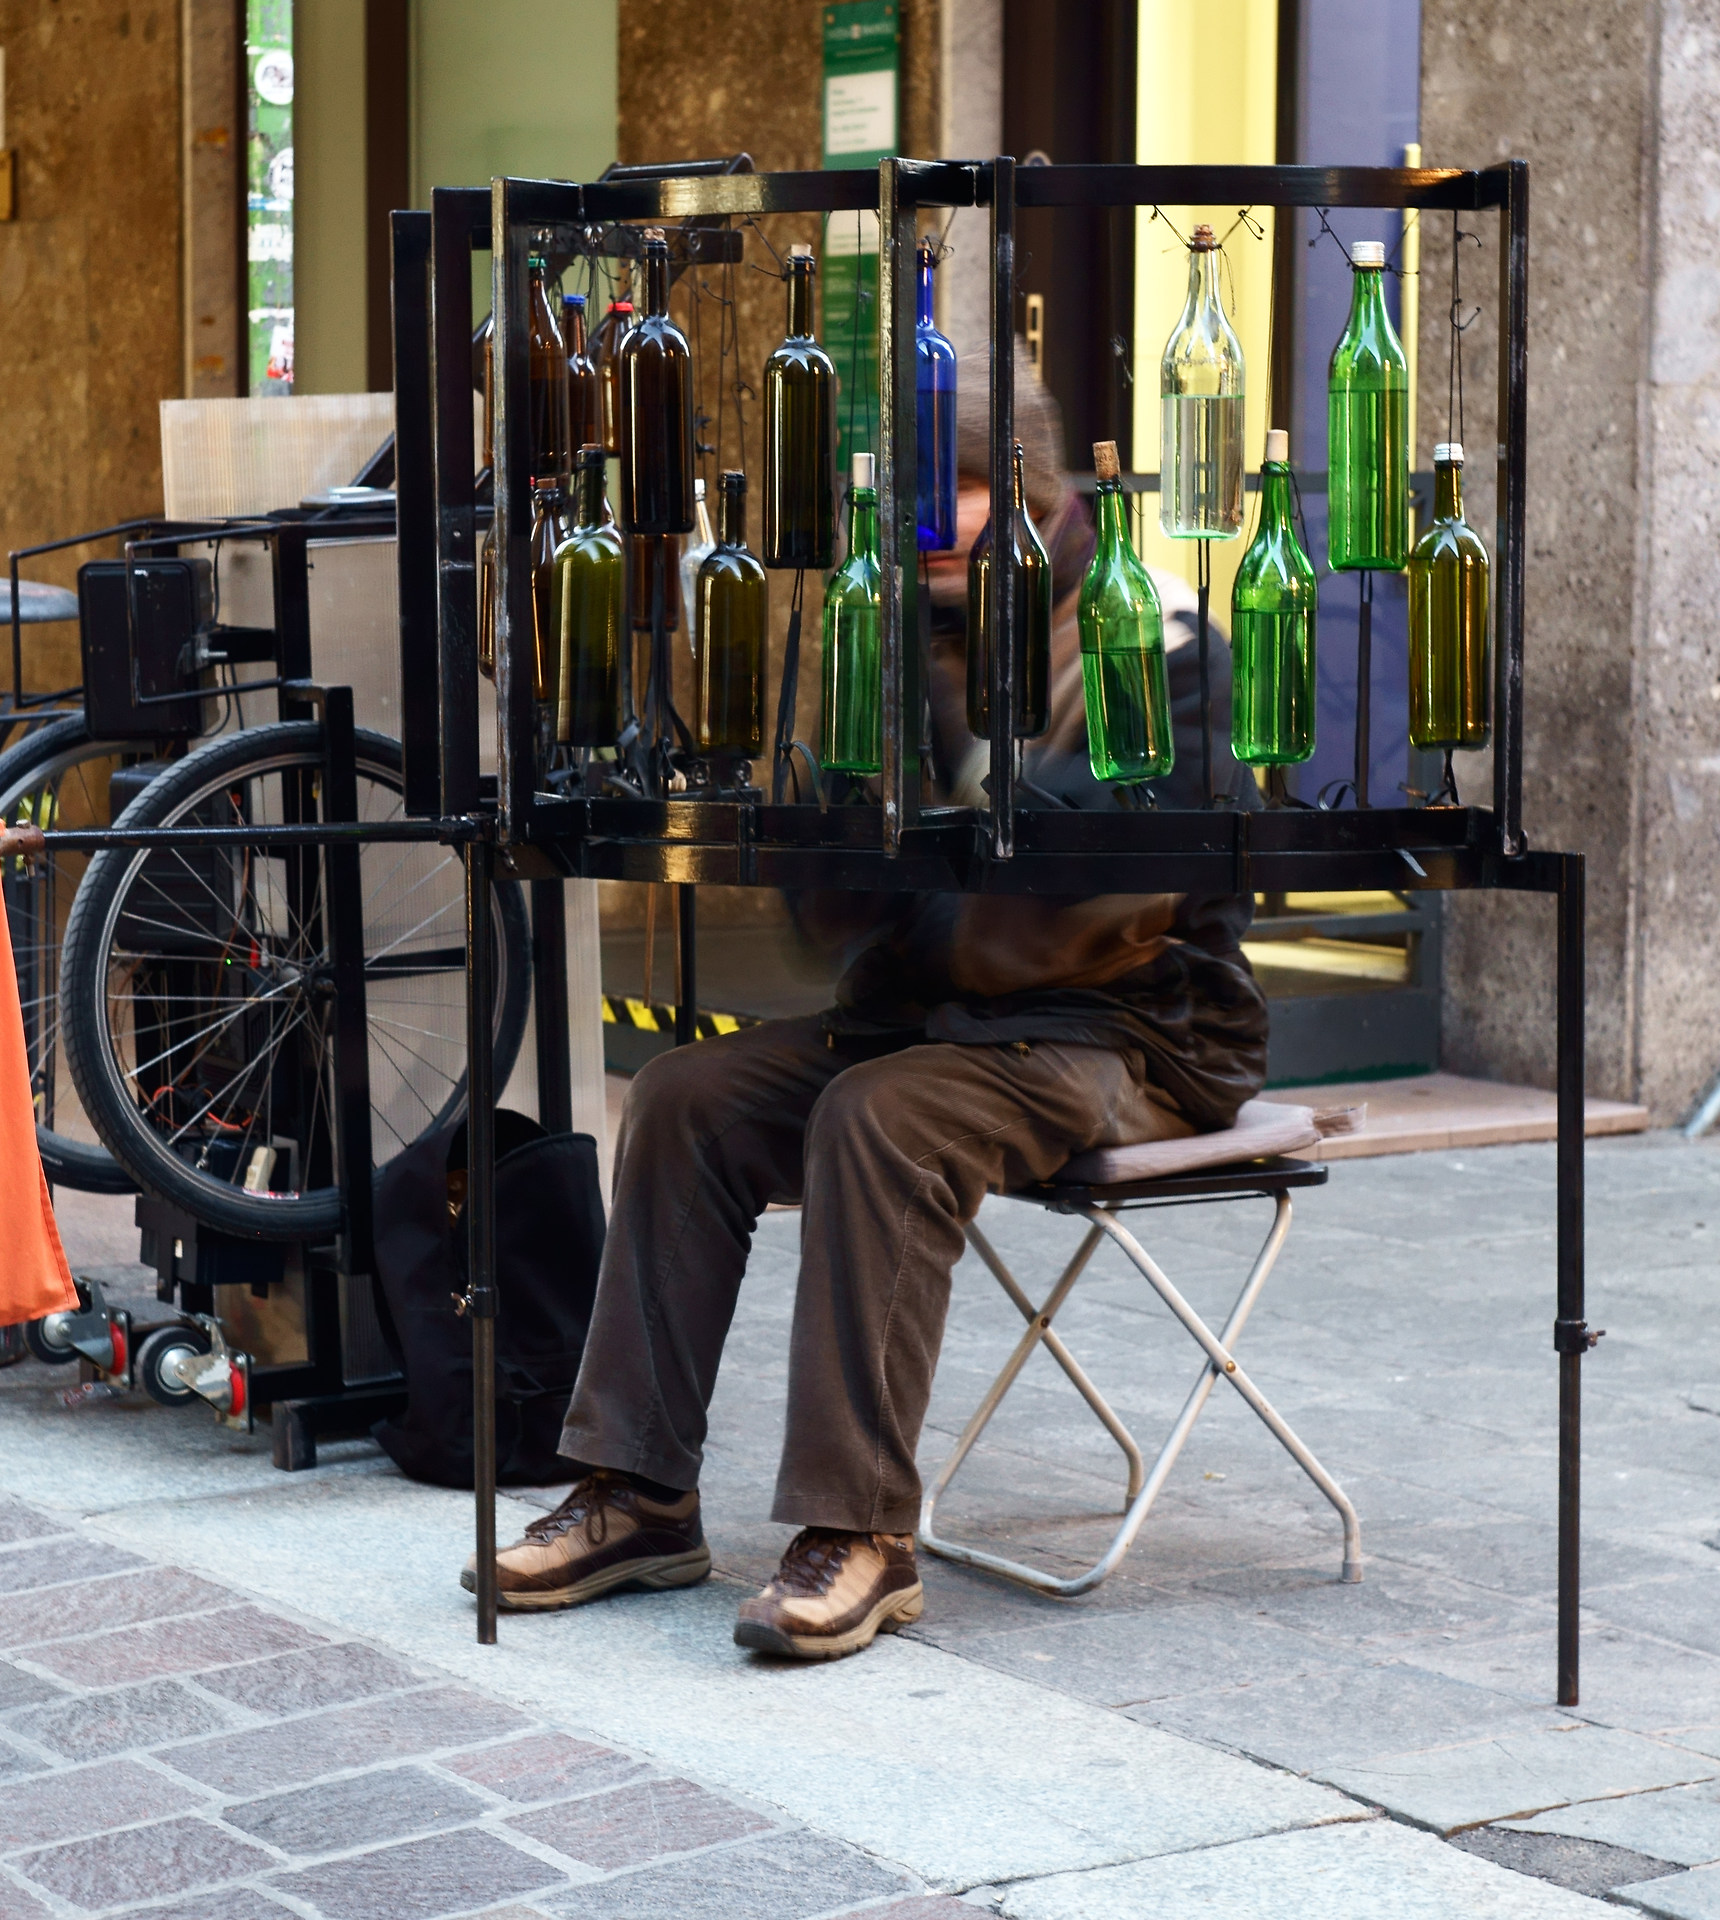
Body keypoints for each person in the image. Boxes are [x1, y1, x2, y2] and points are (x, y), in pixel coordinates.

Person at [470, 369, 1267, 1659]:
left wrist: (906, 866)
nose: (929, 540)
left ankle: (860, 1532)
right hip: (938, 1013)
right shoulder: (894, 630)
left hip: (1130, 1030)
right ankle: (641, 1488)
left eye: (951, 503)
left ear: (1032, 494)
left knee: (879, 1115)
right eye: (910, 514)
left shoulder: (1155, 643)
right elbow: (831, 915)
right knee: (685, 1095)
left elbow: (1082, 907)